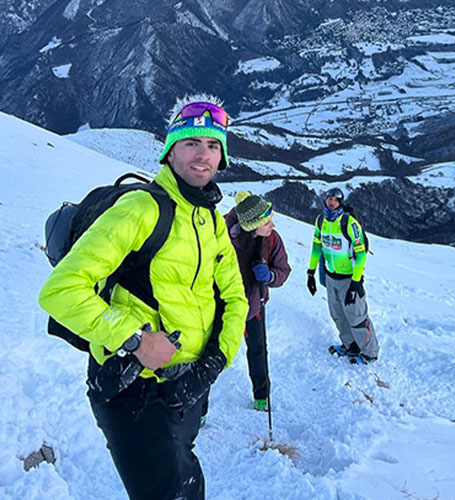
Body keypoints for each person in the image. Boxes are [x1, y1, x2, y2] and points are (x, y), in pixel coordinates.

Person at [38, 95, 249, 500]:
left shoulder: (209, 220)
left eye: (213, 145)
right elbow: (60, 291)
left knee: (188, 480)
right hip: (131, 391)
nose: (203, 155)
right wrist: (135, 339)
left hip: (186, 386)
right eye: (191, 143)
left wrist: (213, 364)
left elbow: (235, 298)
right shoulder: (142, 209)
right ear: (170, 150)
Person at [224, 191, 291, 411]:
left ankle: (262, 395)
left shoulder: (272, 239)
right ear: (252, 225)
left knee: (258, 350)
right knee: (210, 353)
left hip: (254, 303)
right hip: (222, 306)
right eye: (267, 221)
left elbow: (283, 269)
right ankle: (198, 409)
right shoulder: (222, 237)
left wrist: (270, 276)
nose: (272, 224)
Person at [307, 187, 379, 363]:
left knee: (357, 317)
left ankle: (370, 353)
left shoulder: (349, 223)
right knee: (337, 314)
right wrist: (311, 272)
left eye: (335, 200)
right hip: (331, 276)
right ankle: (350, 346)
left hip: (349, 279)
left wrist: (355, 283)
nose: (331, 202)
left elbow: (361, 254)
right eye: (328, 199)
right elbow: (317, 247)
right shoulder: (320, 221)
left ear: (340, 203)